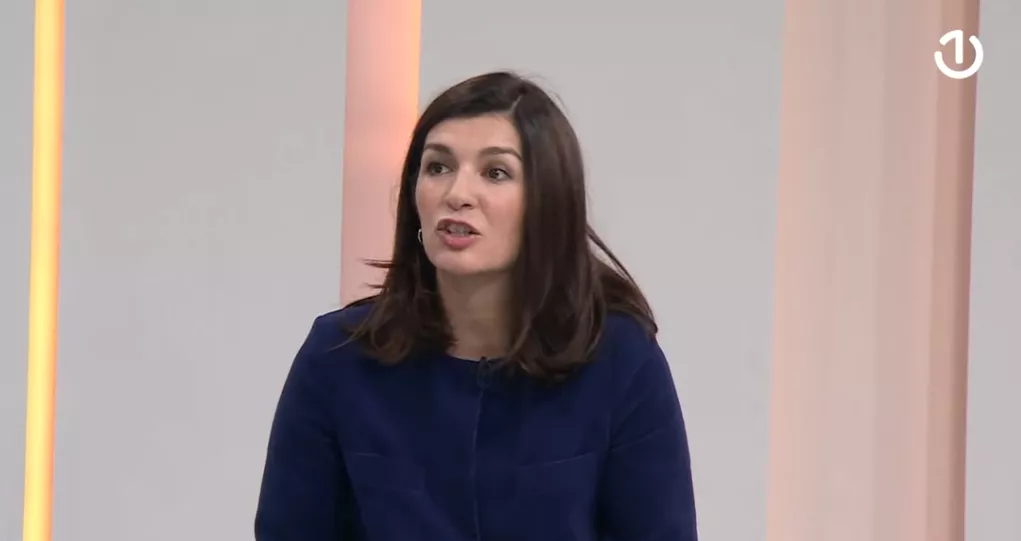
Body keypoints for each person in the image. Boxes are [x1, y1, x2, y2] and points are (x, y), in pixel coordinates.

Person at [254, 71, 698, 540]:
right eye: (438, 167)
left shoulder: (620, 359)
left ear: (546, 202)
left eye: (495, 172)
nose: (457, 194)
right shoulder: (337, 357)